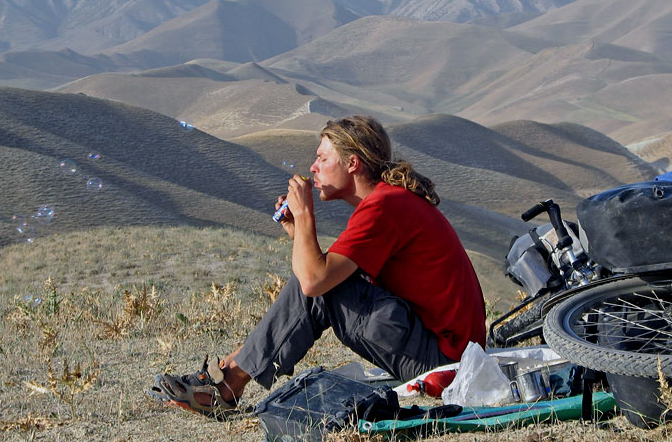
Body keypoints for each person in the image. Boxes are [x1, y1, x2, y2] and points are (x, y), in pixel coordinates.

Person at [147, 116, 486, 416]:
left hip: (444, 363)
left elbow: (313, 282)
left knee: (318, 288)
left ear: (352, 163)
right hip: (447, 355)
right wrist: (299, 232)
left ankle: (227, 383)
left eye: (323, 158)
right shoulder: (389, 201)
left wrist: (306, 214)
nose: (313, 167)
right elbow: (329, 273)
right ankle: (229, 374)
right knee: (323, 285)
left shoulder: (384, 207)